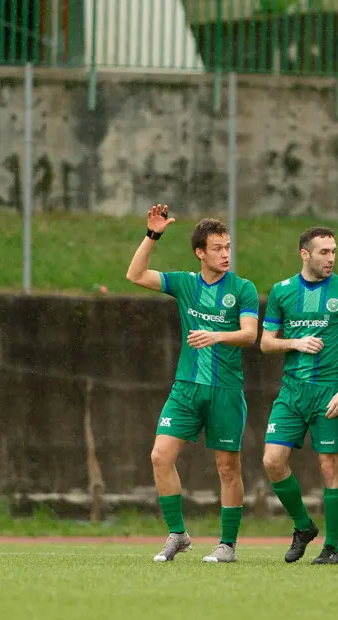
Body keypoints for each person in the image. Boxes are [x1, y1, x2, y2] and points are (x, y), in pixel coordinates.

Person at [126, 205, 259, 564]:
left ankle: (227, 545)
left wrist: (215, 335)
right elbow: (135, 274)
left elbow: (250, 335)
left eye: (228, 247)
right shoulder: (186, 283)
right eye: (217, 248)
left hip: (225, 391)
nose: (225, 254)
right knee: (159, 455)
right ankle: (178, 534)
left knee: (227, 467)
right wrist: (152, 235)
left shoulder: (243, 289)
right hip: (186, 388)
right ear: (200, 252)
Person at [260, 227, 338, 565]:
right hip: (291, 392)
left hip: (329, 393)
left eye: (334, 251)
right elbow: (265, 342)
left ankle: (331, 547)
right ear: (304, 254)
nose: (331, 258)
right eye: (323, 252)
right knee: (272, 460)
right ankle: (303, 526)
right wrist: (295, 343)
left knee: (329, 467)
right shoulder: (283, 291)